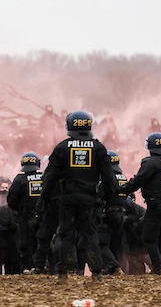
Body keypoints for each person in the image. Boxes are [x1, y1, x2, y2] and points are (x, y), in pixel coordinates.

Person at [42, 111, 117, 284]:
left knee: (65, 234)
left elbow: (49, 176)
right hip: (89, 199)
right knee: (90, 234)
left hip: (67, 198)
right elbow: (109, 178)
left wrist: (44, 199)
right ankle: (96, 274)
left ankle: (62, 274)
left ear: (70, 125)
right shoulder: (98, 147)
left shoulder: (62, 147)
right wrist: (108, 199)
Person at [120, 132, 161, 275]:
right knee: (160, 238)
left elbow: (139, 180)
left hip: (155, 205)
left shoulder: (150, 162)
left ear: (150, 146)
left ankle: (157, 268)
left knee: (148, 238)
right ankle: (160, 268)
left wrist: (123, 190)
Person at [8, 153, 43, 272]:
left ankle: (28, 267)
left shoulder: (19, 179)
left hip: (25, 217)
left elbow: (11, 200)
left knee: (26, 243)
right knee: (42, 240)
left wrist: (20, 210)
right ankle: (42, 266)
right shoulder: (44, 177)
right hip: (43, 216)